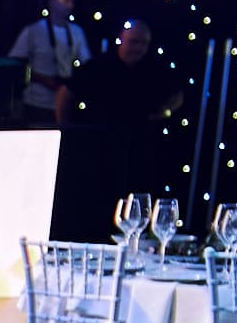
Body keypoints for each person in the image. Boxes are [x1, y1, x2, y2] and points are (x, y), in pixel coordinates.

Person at [56, 18, 181, 240]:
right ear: (121, 40)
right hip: (101, 145)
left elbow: (177, 94)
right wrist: (65, 128)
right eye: (133, 42)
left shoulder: (153, 68)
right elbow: (65, 93)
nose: (137, 48)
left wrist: (165, 111)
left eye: (143, 43)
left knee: (138, 198)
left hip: (139, 144)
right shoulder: (100, 66)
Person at [6, 0, 88, 124]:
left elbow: (87, 64)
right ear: (52, 1)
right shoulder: (33, 30)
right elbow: (15, 64)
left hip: (65, 102)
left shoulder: (77, 32)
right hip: (36, 102)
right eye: (66, 0)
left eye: (72, 1)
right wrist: (43, 79)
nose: (70, 5)